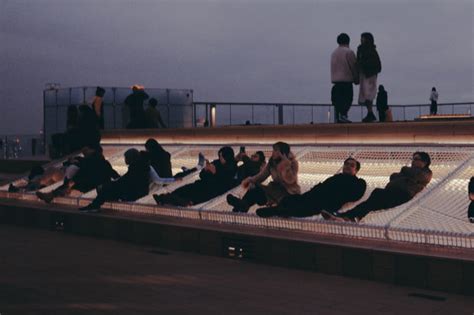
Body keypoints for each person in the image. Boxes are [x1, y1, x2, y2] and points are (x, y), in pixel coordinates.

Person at [322, 152, 432, 223]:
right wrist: (403, 176)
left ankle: (349, 216)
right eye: (413, 158)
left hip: (402, 195)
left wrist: (403, 171)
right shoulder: (411, 173)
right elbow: (393, 177)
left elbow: (410, 174)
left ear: (424, 162)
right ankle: (348, 216)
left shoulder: (427, 172)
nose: (413, 161)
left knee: (375, 197)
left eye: (416, 159)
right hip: (392, 193)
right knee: (370, 203)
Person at [256, 157, 366, 218]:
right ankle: (277, 207)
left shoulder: (359, 182)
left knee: (303, 208)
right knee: (291, 199)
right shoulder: (335, 177)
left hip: (327, 202)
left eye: (351, 165)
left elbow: (355, 195)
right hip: (314, 195)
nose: (347, 166)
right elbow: (323, 186)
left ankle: (276, 210)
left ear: (356, 171)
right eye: (346, 164)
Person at [226, 142, 300, 213]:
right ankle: (242, 204)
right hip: (274, 190)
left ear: (282, 152)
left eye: (275, 150)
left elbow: (290, 180)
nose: (273, 152)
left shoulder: (292, 163)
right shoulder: (272, 162)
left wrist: (285, 165)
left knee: (260, 192)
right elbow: (262, 176)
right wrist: (251, 181)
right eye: (273, 150)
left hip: (287, 193)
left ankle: (242, 205)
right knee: (255, 187)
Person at [153, 146, 237, 206]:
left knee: (190, 196)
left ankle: (170, 200)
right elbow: (202, 175)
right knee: (183, 190)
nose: (220, 158)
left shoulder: (231, 168)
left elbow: (223, 184)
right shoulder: (217, 162)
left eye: (222, 156)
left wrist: (214, 173)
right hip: (202, 184)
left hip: (211, 190)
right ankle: (163, 198)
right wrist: (206, 170)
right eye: (220, 156)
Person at [36, 145, 119, 203]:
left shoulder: (88, 161)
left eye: (86, 150)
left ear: (92, 150)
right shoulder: (104, 163)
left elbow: (81, 174)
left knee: (71, 183)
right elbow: (114, 175)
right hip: (97, 186)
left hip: (89, 185)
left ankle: (52, 194)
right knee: (72, 182)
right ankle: (55, 193)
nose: (84, 152)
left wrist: (70, 182)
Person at [79, 149, 150, 212]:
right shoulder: (138, 166)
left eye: (126, 158)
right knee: (107, 188)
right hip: (135, 191)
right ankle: (95, 205)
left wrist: (111, 184)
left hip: (133, 193)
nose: (125, 160)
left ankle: (94, 205)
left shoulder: (136, 168)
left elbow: (125, 181)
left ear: (131, 158)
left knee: (106, 189)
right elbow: (124, 179)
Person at [330, 33, 359, 123]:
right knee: (347, 99)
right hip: (346, 81)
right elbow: (353, 66)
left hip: (336, 81)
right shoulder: (349, 52)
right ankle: (343, 116)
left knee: (338, 101)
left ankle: (340, 117)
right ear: (348, 41)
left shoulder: (333, 53)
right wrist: (356, 78)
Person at [357, 32, 382, 123]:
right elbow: (378, 65)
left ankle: (370, 113)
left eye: (362, 38)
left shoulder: (363, 50)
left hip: (367, 74)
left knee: (367, 94)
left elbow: (360, 61)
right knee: (368, 95)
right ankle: (370, 113)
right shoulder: (372, 50)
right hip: (369, 74)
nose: (361, 40)